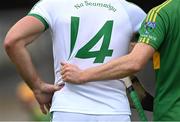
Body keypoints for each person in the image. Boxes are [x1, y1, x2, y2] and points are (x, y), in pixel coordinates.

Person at [3, 0, 146, 121]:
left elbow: (13, 41)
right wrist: (137, 48)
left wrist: (37, 86)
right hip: (114, 111)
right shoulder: (130, 11)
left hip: (68, 110)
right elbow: (160, 48)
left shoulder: (53, 4)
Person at [60, 0, 180, 121]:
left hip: (171, 114)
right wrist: (142, 49)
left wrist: (82, 75)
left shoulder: (162, 14)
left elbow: (135, 62)